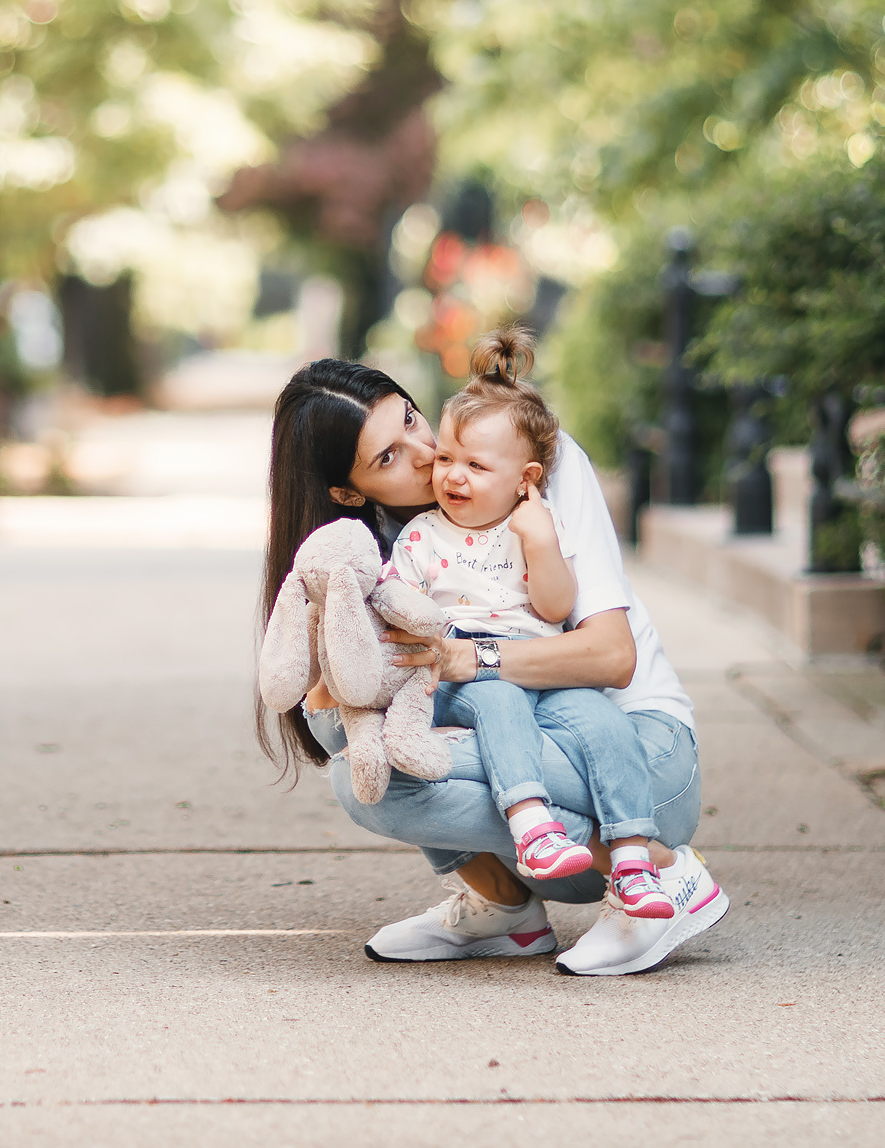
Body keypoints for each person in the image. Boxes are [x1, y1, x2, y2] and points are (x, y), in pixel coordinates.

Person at [258, 355, 728, 977]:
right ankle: (505, 909)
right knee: (363, 766)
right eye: (389, 458)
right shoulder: (372, 550)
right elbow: (333, 723)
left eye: (410, 421)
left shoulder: (526, 461)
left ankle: (661, 879)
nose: (427, 454)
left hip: (637, 761)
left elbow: (612, 656)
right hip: (536, 800)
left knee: (396, 759)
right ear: (348, 492)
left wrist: (469, 658)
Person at [392, 330, 675, 916]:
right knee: (499, 706)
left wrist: (542, 543)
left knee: (607, 727)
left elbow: (553, 609)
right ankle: (531, 823)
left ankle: (632, 858)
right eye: (446, 458)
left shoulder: (531, 527)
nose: (452, 476)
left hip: (548, 673)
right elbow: (401, 606)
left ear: (525, 479)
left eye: (475, 464)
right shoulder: (421, 536)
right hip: (467, 677)